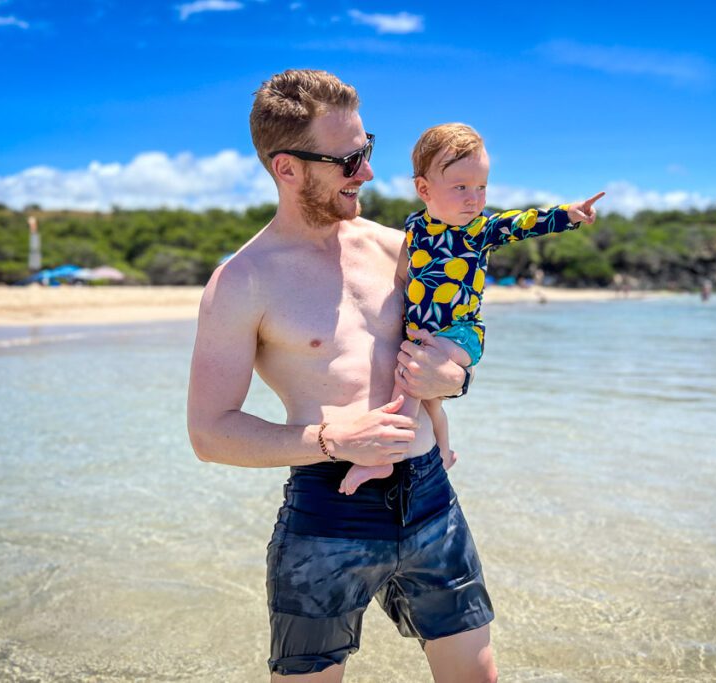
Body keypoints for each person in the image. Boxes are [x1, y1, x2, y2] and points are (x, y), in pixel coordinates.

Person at [186, 70, 497, 682]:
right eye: (350, 159)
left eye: (368, 149)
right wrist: (332, 441)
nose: (368, 173)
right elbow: (210, 433)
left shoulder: (398, 246)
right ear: (288, 168)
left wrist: (455, 379)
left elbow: (459, 336)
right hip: (331, 513)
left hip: (431, 497)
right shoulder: (242, 283)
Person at [339, 123, 603, 495]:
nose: (473, 199)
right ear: (424, 190)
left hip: (459, 334)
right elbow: (401, 277)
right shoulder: (415, 226)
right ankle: (445, 452)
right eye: (461, 187)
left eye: (481, 188)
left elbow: (524, 222)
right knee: (429, 404)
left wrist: (569, 214)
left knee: (410, 378)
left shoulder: (481, 229)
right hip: (421, 330)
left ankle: (383, 460)